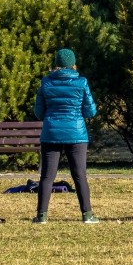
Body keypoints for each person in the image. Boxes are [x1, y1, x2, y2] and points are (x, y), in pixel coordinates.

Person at [34, 48, 99, 224]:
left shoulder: (46, 83)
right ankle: (87, 215)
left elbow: (38, 112)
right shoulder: (81, 82)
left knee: (47, 176)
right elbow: (90, 110)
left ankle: (42, 216)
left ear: (56, 64)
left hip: (51, 132)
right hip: (76, 133)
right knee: (79, 175)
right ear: (73, 64)